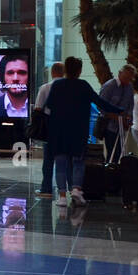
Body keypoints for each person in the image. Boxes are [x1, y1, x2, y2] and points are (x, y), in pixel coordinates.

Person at [44, 56, 123, 208]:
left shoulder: (57, 85)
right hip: (78, 130)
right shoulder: (84, 86)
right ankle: (76, 189)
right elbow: (101, 103)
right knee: (78, 162)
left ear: (66, 69)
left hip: (59, 131)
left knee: (60, 163)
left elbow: (50, 105)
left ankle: (61, 197)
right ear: (79, 70)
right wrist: (119, 111)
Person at [34, 62, 63, 198]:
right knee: (64, 159)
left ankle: (46, 188)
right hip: (66, 127)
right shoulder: (68, 87)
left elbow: (38, 108)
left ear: (52, 72)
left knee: (48, 159)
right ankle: (65, 189)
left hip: (50, 127)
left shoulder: (45, 88)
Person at [97, 65, 136, 161]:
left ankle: (114, 173)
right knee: (113, 152)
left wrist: (129, 118)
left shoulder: (130, 87)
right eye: (126, 77)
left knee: (120, 153)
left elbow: (131, 106)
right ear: (119, 73)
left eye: (130, 78)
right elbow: (100, 106)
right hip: (109, 126)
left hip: (122, 127)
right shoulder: (109, 86)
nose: (128, 80)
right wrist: (116, 117)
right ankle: (109, 173)